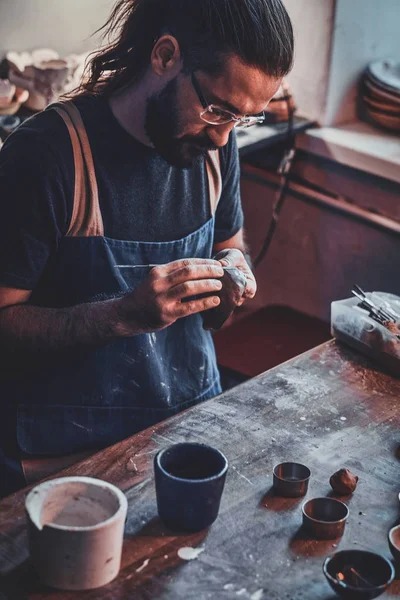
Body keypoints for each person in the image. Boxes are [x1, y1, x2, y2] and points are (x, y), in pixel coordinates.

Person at [0, 0, 294, 496]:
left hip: (185, 433)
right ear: (164, 56)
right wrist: (122, 315)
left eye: (243, 120)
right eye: (218, 110)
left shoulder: (215, 150)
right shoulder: (46, 157)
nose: (224, 137)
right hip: (64, 464)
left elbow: (228, 247)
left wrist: (231, 279)